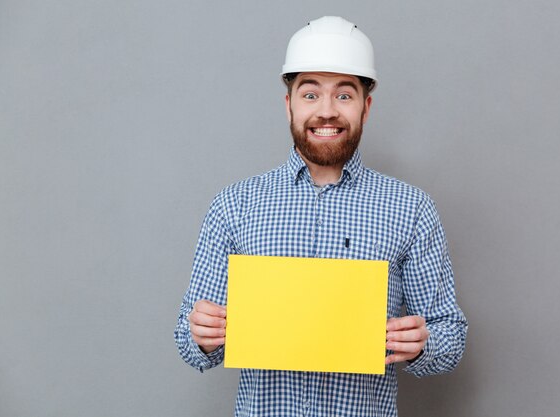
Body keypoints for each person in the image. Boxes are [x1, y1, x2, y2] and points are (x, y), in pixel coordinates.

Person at [175, 16, 467, 417]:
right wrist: (202, 335)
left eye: (344, 96)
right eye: (310, 95)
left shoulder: (411, 209)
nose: (326, 112)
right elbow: (188, 343)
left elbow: (450, 337)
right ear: (288, 105)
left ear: (366, 107)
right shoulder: (234, 205)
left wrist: (424, 343)